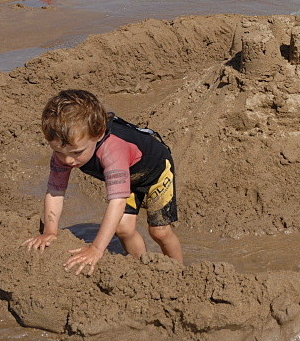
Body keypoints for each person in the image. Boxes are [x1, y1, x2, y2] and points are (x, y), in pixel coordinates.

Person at [22, 89, 184, 274]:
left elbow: (117, 201)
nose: (67, 160)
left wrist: (96, 248)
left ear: (98, 134)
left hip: (156, 171)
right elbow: (55, 191)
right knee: (123, 228)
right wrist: (50, 231)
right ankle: (143, 271)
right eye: (59, 152)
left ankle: (178, 272)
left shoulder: (112, 150)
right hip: (129, 176)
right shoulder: (67, 149)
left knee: (159, 231)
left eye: (76, 153)